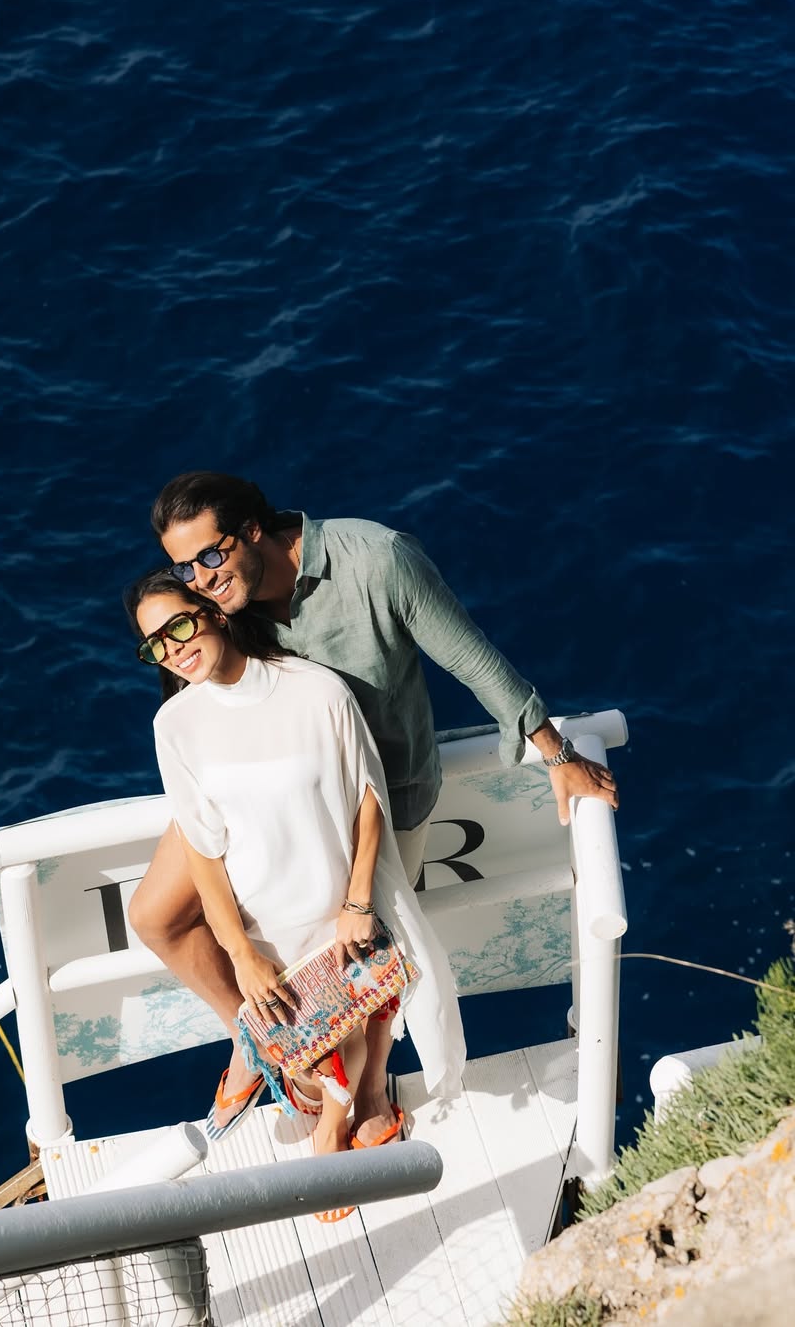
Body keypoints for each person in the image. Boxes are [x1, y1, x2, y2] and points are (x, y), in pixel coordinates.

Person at [130, 471, 619, 1147]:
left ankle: (367, 1090)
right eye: (185, 567)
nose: (200, 579)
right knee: (155, 915)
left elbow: (472, 658)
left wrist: (556, 751)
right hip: (265, 790)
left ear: (253, 531)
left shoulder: (377, 560)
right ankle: (258, 1039)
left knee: (361, 946)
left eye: (210, 556)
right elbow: (200, 688)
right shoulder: (220, 600)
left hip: (384, 794)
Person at [126, 569, 465, 1216]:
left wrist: (358, 902)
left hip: (333, 905)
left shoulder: (316, 690)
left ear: (214, 611)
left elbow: (368, 796)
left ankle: (333, 1128)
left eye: (180, 625)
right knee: (311, 1044)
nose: (173, 648)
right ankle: (321, 1094)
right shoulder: (176, 723)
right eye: (156, 644)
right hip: (263, 917)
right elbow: (202, 848)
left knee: (347, 1021)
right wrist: (240, 952)